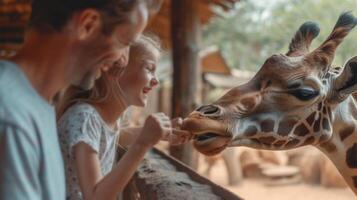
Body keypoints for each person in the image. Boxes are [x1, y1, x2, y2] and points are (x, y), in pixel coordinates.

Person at [0, 0, 161, 199]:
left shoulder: (35, 106)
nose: (122, 61)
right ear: (88, 24)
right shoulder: (12, 117)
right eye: (124, 43)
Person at [56, 35, 191, 200]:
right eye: (149, 69)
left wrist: (161, 132)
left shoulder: (97, 119)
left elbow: (112, 136)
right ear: (114, 69)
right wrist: (143, 143)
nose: (156, 81)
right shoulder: (84, 118)